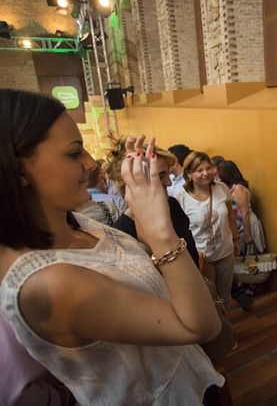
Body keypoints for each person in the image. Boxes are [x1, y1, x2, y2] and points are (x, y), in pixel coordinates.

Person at [0, 89, 224, 405]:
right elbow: (202, 325)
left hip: (189, 378)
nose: (91, 163)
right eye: (74, 152)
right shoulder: (49, 282)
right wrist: (160, 231)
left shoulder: (77, 223)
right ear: (21, 169)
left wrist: (143, 211)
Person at [105, 139, 200, 266]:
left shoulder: (172, 204)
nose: (169, 183)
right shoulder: (121, 233)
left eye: (167, 174)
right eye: (160, 176)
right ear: (132, 182)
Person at [174, 151, 241, 302]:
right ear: (189, 174)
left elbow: (230, 215)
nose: (206, 173)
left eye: (208, 168)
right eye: (199, 170)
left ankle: (226, 323)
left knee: (225, 295)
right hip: (201, 257)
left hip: (225, 251)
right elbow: (179, 230)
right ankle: (215, 325)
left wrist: (236, 239)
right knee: (209, 297)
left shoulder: (221, 188)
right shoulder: (180, 197)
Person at [217, 160, 266, 254]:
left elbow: (245, 213)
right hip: (241, 227)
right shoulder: (230, 188)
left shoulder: (238, 189)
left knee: (252, 259)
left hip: (248, 225)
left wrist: (247, 233)